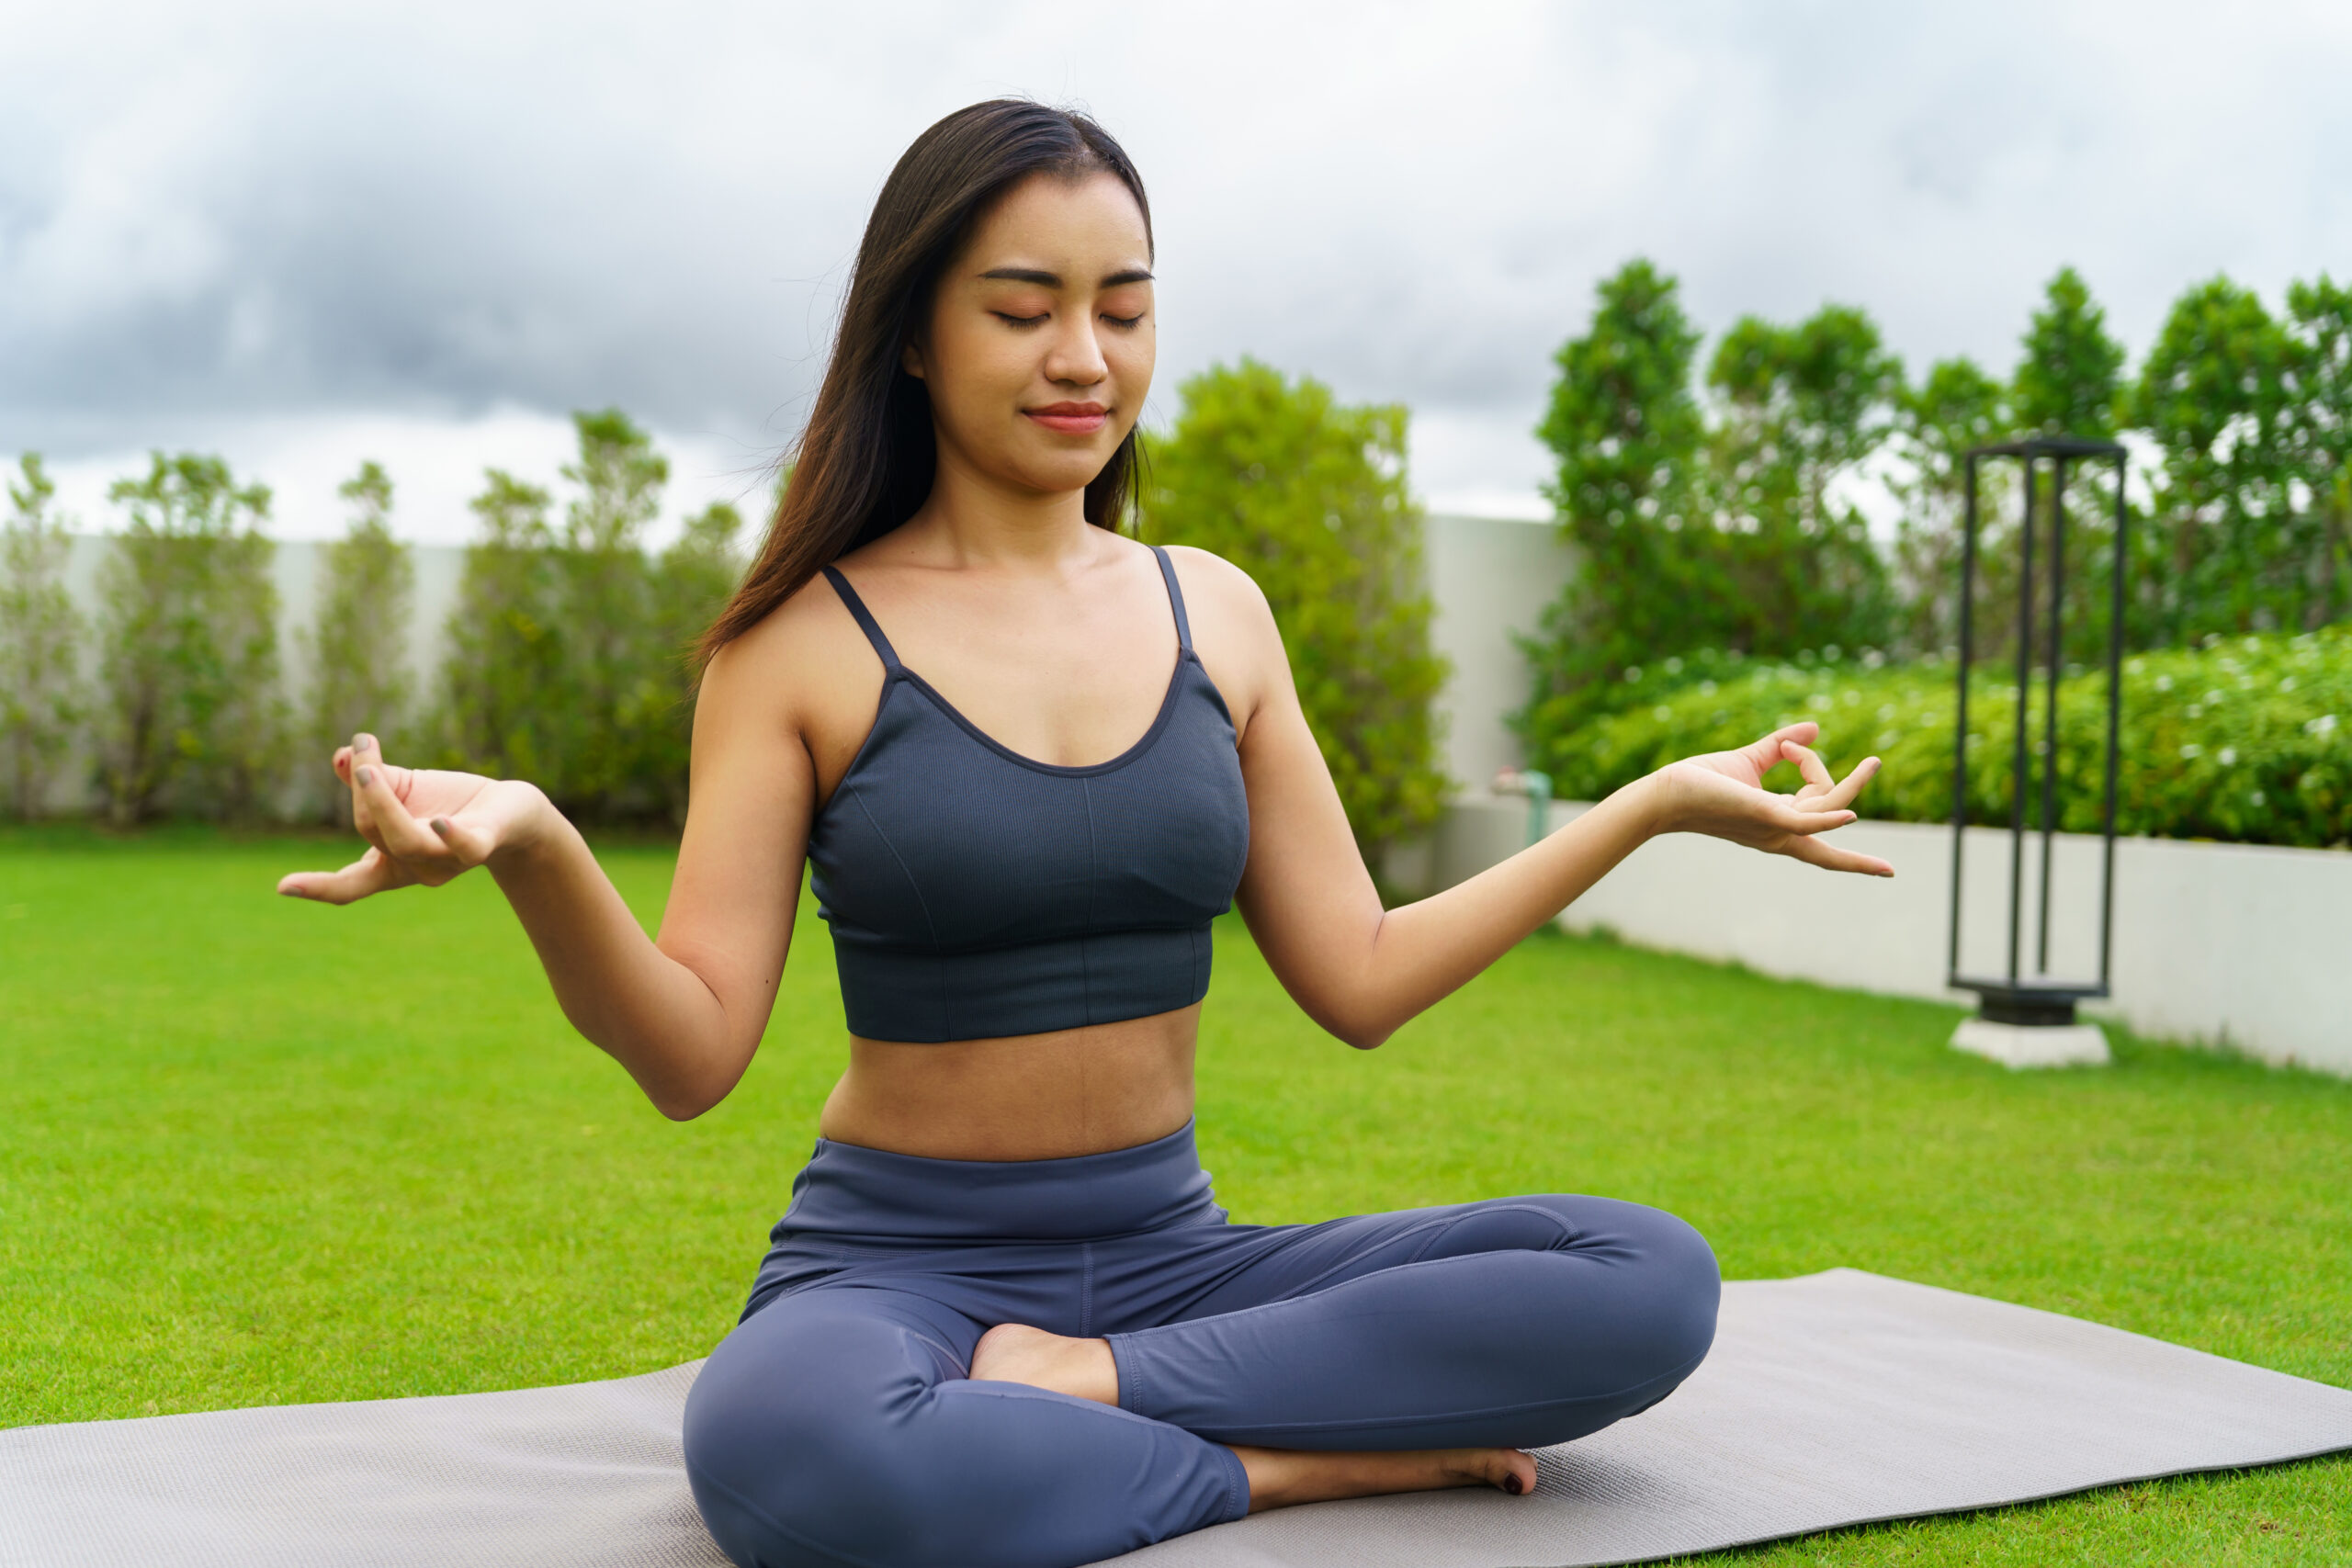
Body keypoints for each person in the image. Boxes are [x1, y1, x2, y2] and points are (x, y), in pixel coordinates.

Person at [278, 100, 1894, 1568]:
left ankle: (1091, 1394)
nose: (1084, 357)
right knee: (786, 1451)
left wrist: (1651, 806)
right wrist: (543, 847)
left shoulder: (1219, 615)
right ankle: (1277, 1468)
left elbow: (1364, 976)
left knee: (1648, 1279)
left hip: (1177, 1265)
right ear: (913, 333)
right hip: (895, 1271)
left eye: (1122, 309)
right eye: (1023, 308)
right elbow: (696, 1053)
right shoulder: (800, 648)